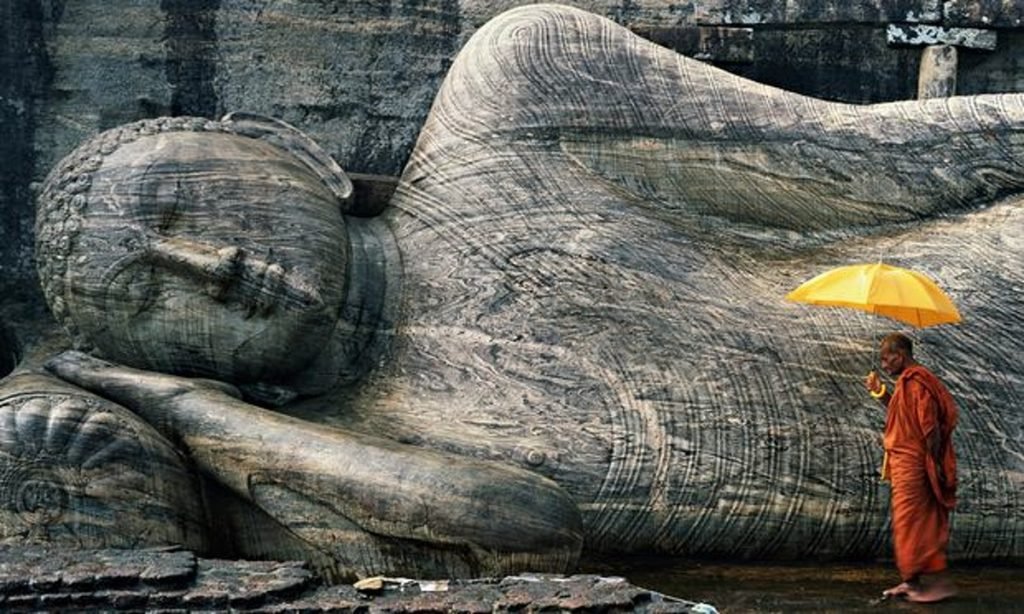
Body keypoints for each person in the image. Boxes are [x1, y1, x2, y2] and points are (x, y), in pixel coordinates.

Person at [865, 332, 958, 603]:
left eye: (886, 358)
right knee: (907, 521)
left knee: (915, 521)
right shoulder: (907, 384)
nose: (884, 364)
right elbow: (900, 411)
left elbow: (930, 428)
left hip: (916, 463)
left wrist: (935, 462)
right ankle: (910, 582)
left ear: (900, 355)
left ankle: (938, 583)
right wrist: (879, 391)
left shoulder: (918, 382)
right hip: (903, 461)